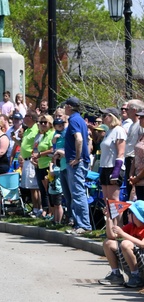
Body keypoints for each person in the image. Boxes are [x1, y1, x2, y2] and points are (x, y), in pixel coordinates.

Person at [63, 97, 92, 233]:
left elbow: (79, 139)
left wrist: (77, 158)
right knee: (76, 194)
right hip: (80, 161)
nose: (64, 109)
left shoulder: (74, 119)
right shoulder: (79, 119)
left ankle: (84, 225)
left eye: (65, 106)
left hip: (77, 163)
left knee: (78, 194)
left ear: (69, 106)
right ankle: (78, 224)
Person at [101, 199, 144, 288]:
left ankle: (136, 276)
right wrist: (109, 218)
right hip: (136, 257)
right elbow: (111, 236)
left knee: (125, 243)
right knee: (108, 243)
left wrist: (123, 234)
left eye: (130, 212)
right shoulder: (131, 226)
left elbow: (142, 244)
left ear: (136, 216)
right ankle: (116, 274)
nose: (127, 214)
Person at [97, 108, 127, 215]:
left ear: (112, 116)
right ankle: (110, 228)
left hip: (114, 168)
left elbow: (121, 152)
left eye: (105, 116)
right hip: (105, 167)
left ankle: (117, 227)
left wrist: (116, 172)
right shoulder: (109, 131)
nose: (103, 118)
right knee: (106, 200)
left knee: (114, 201)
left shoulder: (119, 130)